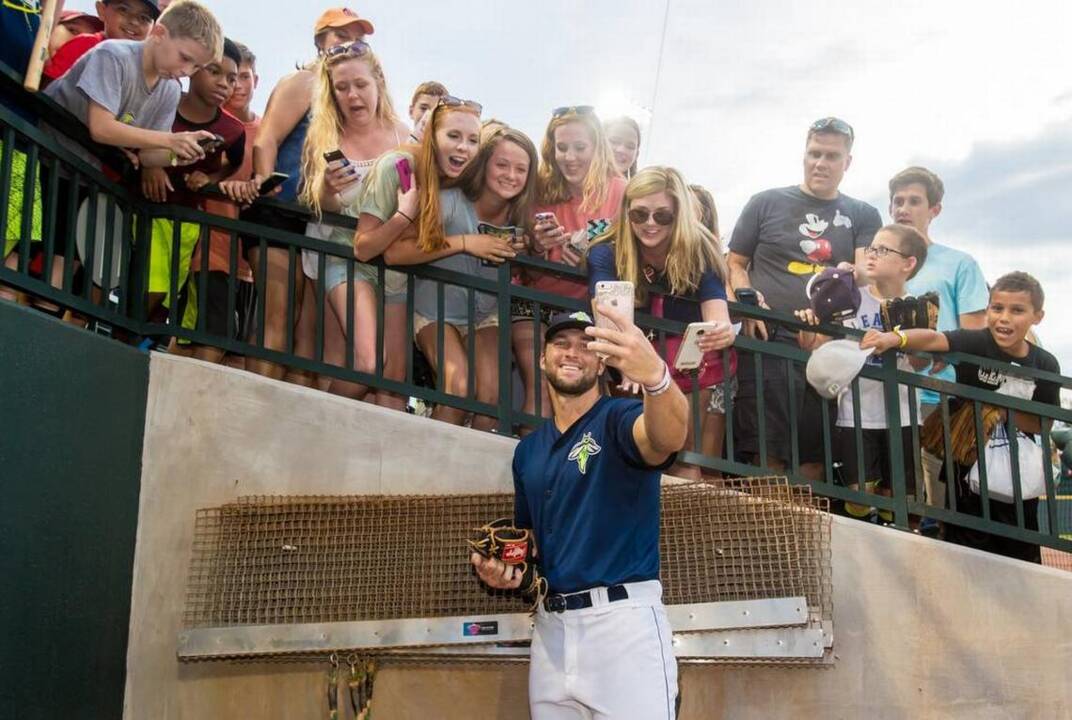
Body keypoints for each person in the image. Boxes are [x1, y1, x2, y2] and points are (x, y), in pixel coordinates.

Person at [471, 306, 687, 718]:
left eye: (586, 346)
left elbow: (668, 436)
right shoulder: (528, 451)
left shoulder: (619, 419)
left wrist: (657, 380)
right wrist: (500, 568)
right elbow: (530, 542)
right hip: (551, 631)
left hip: (622, 626)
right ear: (542, 357)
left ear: (602, 361)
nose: (573, 353)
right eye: (561, 343)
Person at [861, 271, 1060, 563]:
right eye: (997, 308)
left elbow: (1043, 424)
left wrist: (999, 411)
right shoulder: (976, 341)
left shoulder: (1044, 363)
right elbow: (934, 338)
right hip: (966, 464)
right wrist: (895, 337)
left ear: (1037, 317)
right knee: (964, 547)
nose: (1004, 318)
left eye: (1017, 310)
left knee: (1019, 549)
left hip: (1017, 472)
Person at [37, 0, 221, 312]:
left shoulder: (170, 89)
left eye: (195, 68)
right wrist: (170, 140)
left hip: (80, 173)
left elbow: (149, 156)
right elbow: (101, 128)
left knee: (61, 264)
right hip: (41, 156)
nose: (186, 71)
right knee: (25, 256)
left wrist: (181, 154)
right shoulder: (113, 55)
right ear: (159, 33)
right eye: (185, 59)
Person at [727, 117, 881, 479]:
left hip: (827, 344)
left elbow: (864, 273)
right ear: (803, 155)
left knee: (814, 453)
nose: (821, 163)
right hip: (768, 338)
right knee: (767, 448)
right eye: (814, 153)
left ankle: (800, 535)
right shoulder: (765, 202)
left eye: (831, 156)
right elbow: (735, 263)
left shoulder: (863, 213)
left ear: (848, 162)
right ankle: (765, 534)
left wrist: (829, 304)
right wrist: (748, 303)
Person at [243, 6, 374, 382]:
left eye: (357, 38)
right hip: (279, 210)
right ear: (320, 42)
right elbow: (266, 138)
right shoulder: (304, 82)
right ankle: (257, 402)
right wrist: (266, 185)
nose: (349, 44)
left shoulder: (349, 99)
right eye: (339, 35)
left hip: (319, 221)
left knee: (308, 333)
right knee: (278, 315)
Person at [382, 123, 535, 430]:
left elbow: (522, 273)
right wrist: (465, 243)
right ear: (483, 163)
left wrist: (528, 252)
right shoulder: (449, 201)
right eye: (502, 165)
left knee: (491, 398)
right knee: (458, 387)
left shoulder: (519, 219)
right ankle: (427, 472)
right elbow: (395, 253)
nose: (511, 175)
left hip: (485, 315)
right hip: (434, 312)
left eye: (521, 169)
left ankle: (464, 475)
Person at [588, 166, 736, 480]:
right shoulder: (606, 251)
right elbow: (608, 316)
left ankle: (684, 527)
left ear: (678, 214)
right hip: (628, 355)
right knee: (633, 448)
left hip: (687, 362)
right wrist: (629, 365)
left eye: (662, 216)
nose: (650, 224)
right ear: (626, 212)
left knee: (683, 451)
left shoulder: (700, 249)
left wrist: (720, 331)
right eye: (639, 215)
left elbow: (716, 313)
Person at [354, 95, 498, 413]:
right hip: (352, 268)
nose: (464, 147)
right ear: (431, 135)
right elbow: (365, 248)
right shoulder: (400, 166)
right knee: (360, 370)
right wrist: (407, 216)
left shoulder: (448, 180)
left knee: (392, 378)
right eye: (454, 136)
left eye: (473, 140)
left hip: (396, 284)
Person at [298, 40, 408, 401]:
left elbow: (416, 200)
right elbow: (320, 204)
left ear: (378, 81)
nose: (352, 95)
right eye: (342, 87)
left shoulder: (404, 136)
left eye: (360, 85)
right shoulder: (325, 136)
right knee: (358, 362)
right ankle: (322, 421)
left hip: (391, 260)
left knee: (391, 377)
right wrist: (328, 188)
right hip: (339, 254)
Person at [796, 224, 928, 522]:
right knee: (858, 496)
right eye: (871, 248)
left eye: (883, 250)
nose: (871, 255)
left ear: (908, 264)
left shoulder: (919, 306)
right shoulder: (849, 298)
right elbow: (816, 348)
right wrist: (809, 326)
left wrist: (908, 341)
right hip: (855, 412)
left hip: (903, 415)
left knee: (898, 498)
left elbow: (923, 364)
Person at [515, 106, 625, 428]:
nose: (570, 157)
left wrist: (591, 262)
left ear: (597, 147)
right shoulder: (539, 189)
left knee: (588, 400)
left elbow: (633, 256)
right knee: (540, 392)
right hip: (536, 302)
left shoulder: (620, 191)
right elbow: (528, 268)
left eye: (580, 147)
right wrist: (539, 247)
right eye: (561, 147)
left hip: (588, 309)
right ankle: (533, 471)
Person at [889, 166, 989, 516]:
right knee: (900, 510)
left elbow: (976, 335)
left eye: (914, 201)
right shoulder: (879, 265)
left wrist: (936, 351)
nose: (903, 208)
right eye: (897, 201)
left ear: (935, 210)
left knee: (944, 509)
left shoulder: (959, 264)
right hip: (888, 398)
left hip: (940, 399)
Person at [139, 37, 245, 326]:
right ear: (193, 69)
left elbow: (233, 163)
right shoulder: (163, 99)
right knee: (144, 285)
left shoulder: (233, 130)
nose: (224, 83)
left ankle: (122, 342)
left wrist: (210, 177)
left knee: (162, 294)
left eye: (232, 78)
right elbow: (132, 131)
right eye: (214, 72)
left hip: (185, 221)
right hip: (141, 211)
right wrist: (151, 163)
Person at [43, 0, 161, 85]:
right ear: (102, 10)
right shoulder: (87, 44)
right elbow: (48, 86)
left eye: (144, 18)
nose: (134, 21)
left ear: (152, 29)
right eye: (124, 10)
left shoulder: (139, 69)